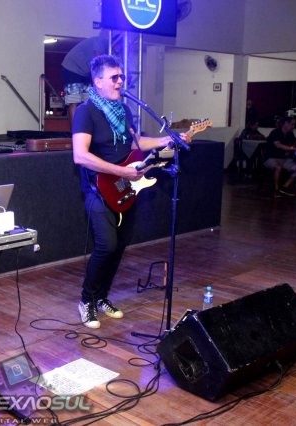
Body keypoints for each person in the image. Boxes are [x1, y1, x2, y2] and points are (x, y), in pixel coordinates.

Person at [72, 55, 190, 329]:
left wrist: (168, 138)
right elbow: (80, 155)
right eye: (114, 77)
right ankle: (86, 300)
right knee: (106, 245)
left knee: (120, 245)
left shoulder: (123, 110)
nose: (120, 81)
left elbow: (136, 143)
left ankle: (102, 297)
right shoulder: (86, 112)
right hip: (99, 189)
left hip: (126, 187)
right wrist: (121, 171)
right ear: (98, 81)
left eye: (122, 76)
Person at [61, 33, 110, 128]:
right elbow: (99, 60)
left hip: (86, 72)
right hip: (72, 69)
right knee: (74, 101)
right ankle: (75, 130)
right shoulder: (99, 40)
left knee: (89, 101)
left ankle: (87, 129)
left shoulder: (109, 46)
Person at [263, 115, 296, 197]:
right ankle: (276, 190)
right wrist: (291, 148)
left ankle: (284, 187)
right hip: (271, 158)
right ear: (286, 123)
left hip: (285, 159)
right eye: (292, 124)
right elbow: (278, 145)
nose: (293, 126)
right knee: (278, 167)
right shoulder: (275, 132)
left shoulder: (290, 134)